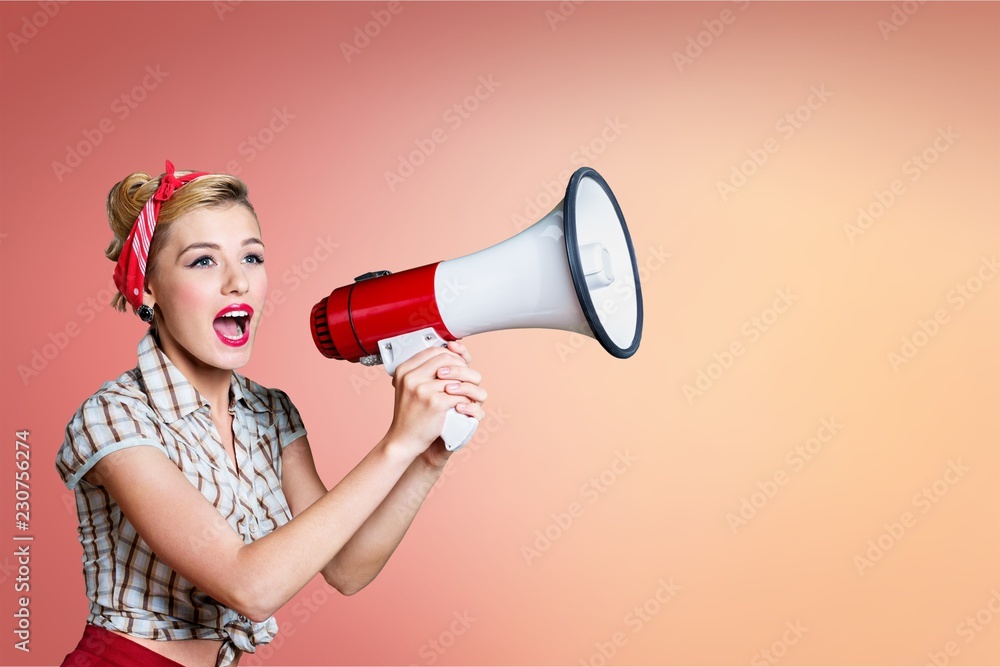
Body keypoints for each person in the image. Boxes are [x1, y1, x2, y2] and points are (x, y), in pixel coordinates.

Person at [55, 161, 487, 667]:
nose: (238, 282)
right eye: (203, 262)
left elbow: (346, 567)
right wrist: (397, 443)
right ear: (147, 288)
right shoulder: (112, 418)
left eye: (252, 257)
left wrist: (427, 455)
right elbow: (250, 585)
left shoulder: (270, 412)